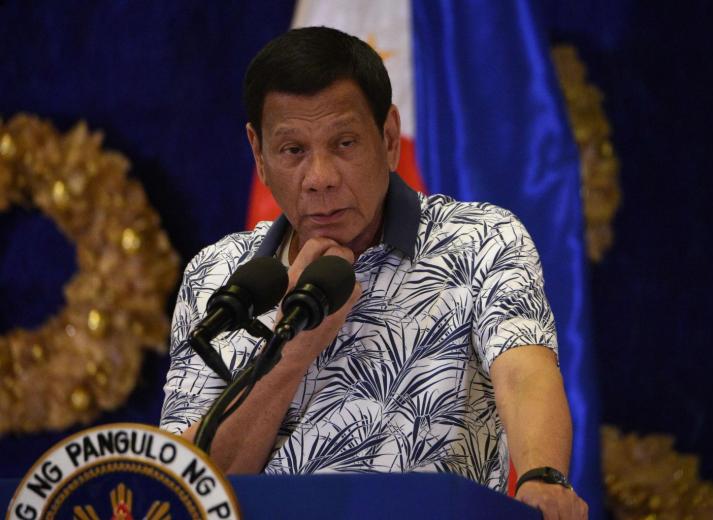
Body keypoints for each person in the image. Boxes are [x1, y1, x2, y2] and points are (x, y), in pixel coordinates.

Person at [161, 26, 587, 518]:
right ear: (258, 154)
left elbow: (523, 373)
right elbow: (185, 485)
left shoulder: (481, 240)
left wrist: (542, 475)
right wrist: (292, 348)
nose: (320, 178)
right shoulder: (218, 276)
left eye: (344, 143)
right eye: (293, 151)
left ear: (387, 138)